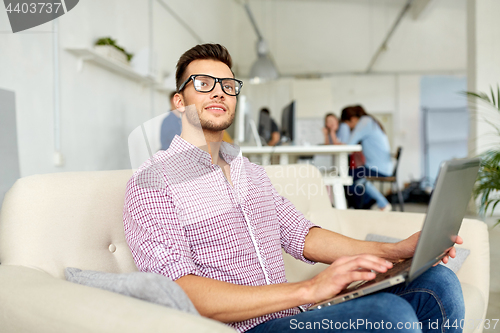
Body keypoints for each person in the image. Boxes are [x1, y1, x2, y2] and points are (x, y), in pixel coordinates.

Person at [123, 44, 464, 333]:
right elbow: (178, 289)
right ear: (178, 101)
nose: (219, 91)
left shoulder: (250, 172)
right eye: (203, 83)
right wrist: (310, 289)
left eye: (228, 85)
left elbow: (303, 236)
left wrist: (396, 251)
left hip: (296, 316)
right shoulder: (154, 180)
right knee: (391, 316)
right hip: (246, 326)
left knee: (439, 283)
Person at [334, 105, 393, 211]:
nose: (351, 128)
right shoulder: (369, 121)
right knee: (352, 177)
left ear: (352, 119)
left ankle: (378, 203)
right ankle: (369, 204)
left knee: (346, 176)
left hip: (378, 168)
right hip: (379, 166)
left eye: (349, 125)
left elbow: (350, 145)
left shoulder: (365, 122)